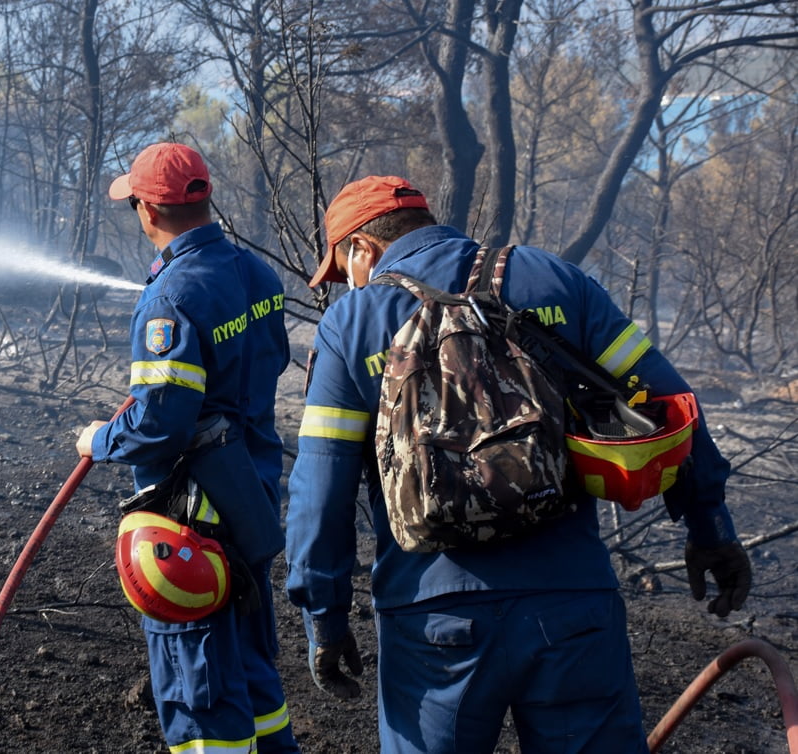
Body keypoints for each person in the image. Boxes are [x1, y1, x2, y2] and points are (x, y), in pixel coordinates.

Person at [284, 175, 753, 753]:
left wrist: (323, 617)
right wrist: (710, 526)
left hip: (433, 622)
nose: (347, 286)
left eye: (345, 271)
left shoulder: (349, 326)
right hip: (572, 606)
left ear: (363, 249)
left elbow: (319, 489)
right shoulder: (551, 279)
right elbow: (671, 405)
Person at [76, 142, 299, 753]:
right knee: (253, 666)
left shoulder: (168, 300)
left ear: (148, 209)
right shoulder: (256, 273)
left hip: (192, 521)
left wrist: (99, 440)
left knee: (197, 679)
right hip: (252, 497)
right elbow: (269, 363)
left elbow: (160, 423)